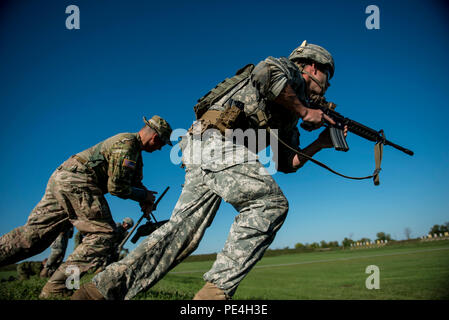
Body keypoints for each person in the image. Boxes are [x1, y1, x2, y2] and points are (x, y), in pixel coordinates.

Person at [72, 41, 345, 300]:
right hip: (217, 142)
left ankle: (98, 291)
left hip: (204, 147)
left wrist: (320, 143)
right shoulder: (290, 74)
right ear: (313, 67)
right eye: (327, 77)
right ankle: (213, 296)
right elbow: (265, 71)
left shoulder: (289, 115)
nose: (328, 86)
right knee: (270, 203)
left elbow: (287, 164)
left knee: (181, 235)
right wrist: (305, 111)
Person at [0, 115, 172, 298]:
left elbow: (134, 182)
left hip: (63, 179)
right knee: (104, 234)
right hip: (77, 182)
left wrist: (144, 199)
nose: (161, 148)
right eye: (162, 143)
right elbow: (117, 188)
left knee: (34, 237)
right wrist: (143, 196)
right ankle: (58, 287)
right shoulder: (127, 145)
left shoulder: (134, 152)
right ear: (155, 138)